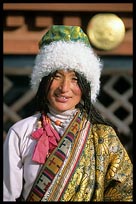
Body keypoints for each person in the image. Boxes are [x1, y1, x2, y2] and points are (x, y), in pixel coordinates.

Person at [3, 25, 133, 202]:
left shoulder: (103, 137)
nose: (64, 88)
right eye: (56, 76)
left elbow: (124, 194)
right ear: (43, 81)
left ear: (86, 86)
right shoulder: (21, 132)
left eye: (74, 79)